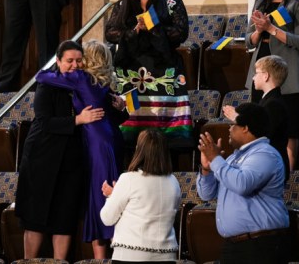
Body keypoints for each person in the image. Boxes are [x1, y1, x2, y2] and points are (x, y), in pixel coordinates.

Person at [35, 39, 127, 258]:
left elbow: (40, 76)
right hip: (110, 139)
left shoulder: (82, 78)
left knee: (101, 196)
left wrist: (60, 65)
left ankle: (103, 257)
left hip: (96, 143)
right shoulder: (104, 82)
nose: (77, 62)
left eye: (81, 57)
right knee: (108, 193)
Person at [15, 40, 105, 260]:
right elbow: (45, 122)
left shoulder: (86, 82)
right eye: (69, 61)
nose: (75, 64)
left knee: (64, 220)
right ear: (58, 61)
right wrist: (78, 119)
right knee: (35, 219)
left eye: (78, 60)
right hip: (42, 159)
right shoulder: (48, 84)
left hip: (71, 162)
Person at [104, 0, 193, 144]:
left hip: (163, 68)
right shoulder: (122, 5)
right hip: (130, 72)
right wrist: (134, 31)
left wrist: (153, 27)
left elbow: (181, 33)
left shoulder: (171, 2)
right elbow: (110, 33)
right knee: (129, 131)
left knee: (164, 135)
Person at [197, 102, 290, 264]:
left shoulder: (265, 154)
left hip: (259, 246)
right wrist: (207, 169)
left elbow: (242, 184)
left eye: (233, 125)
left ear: (245, 128)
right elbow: (206, 194)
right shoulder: (233, 158)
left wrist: (216, 159)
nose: (229, 129)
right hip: (234, 246)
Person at [244, 0, 299, 130]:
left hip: (287, 67)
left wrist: (271, 28)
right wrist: (260, 30)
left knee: (288, 128)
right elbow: (248, 40)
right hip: (262, 62)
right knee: (259, 124)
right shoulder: (261, 0)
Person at [100, 128, 181, 263]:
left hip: (131, 256)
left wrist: (111, 197)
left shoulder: (128, 179)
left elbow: (107, 218)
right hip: (166, 256)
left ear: (139, 150)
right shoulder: (174, 181)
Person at [225, 54, 296, 177]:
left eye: (256, 73)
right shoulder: (268, 101)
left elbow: (262, 132)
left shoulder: (274, 103)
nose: (253, 78)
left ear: (266, 76)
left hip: (271, 166)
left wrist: (237, 118)